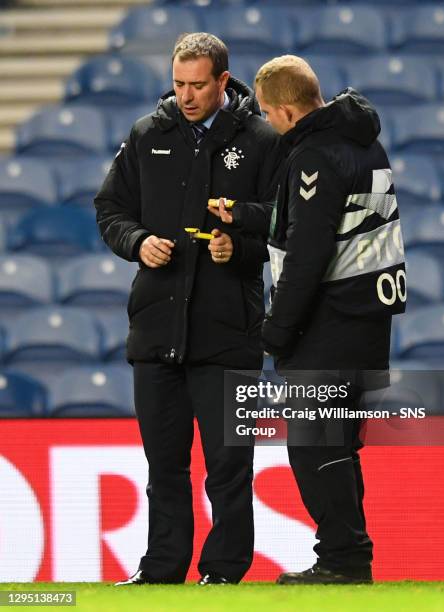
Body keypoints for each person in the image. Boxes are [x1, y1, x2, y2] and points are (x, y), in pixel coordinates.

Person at [94, 33, 280, 585]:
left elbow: (283, 221)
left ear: (224, 80)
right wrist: (136, 241)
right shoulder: (147, 133)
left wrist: (236, 247)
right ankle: (161, 570)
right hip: (156, 329)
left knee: (228, 465)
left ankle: (224, 571)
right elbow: (110, 208)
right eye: (179, 84)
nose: (186, 95)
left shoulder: (264, 139)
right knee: (164, 466)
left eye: (198, 85)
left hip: (228, 330)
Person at [254, 56, 406, 584]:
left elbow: (308, 252)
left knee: (314, 443)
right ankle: (347, 557)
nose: (269, 123)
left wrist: (276, 330)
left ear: (291, 110)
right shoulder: (366, 142)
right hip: (368, 317)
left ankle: (343, 559)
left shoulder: (314, 156)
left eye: (271, 114)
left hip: (329, 320)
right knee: (335, 443)